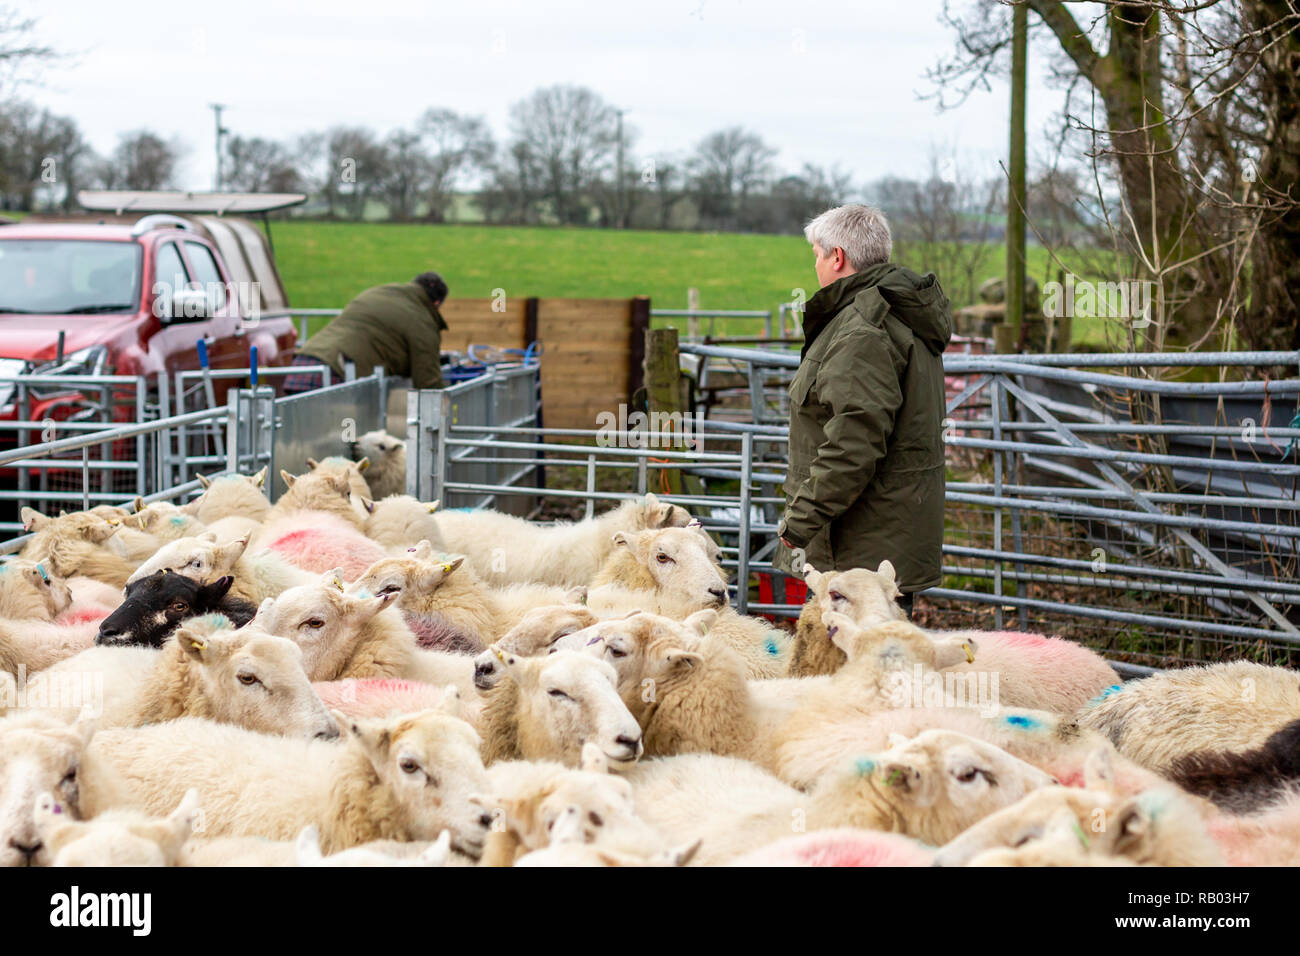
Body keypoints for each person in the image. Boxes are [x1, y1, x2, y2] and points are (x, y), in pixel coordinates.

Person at [773, 204, 953, 618]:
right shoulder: (895, 315)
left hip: (858, 551)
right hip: (882, 540)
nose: (815, 266)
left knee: (853, 675)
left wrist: (798, 525)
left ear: (837, 257)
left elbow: (853, 444)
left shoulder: (863, 329)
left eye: (817, 255)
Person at [284, 272, 449, 392]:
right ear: (436, 303)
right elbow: (429, 384)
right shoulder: (422, 319)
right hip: (335, 373)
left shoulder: (381, 292)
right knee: (340, 436)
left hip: (301, 364)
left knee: (299, 437)